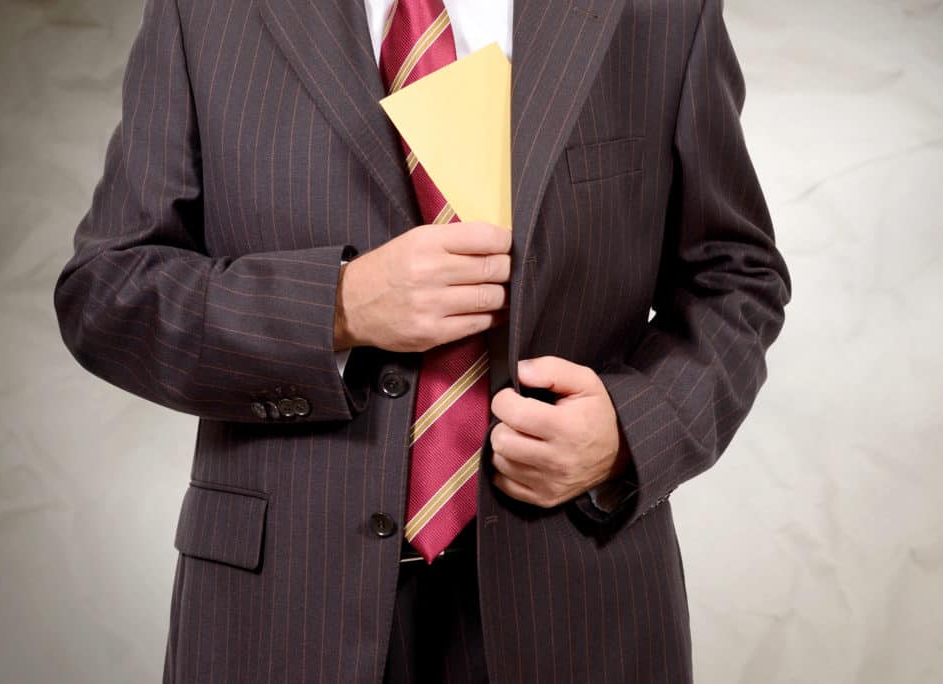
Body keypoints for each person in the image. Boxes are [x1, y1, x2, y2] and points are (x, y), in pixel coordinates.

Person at [53, 0, 791, 681]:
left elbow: (736, 274)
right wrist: (336, 307)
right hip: (280, 611)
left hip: (578, 598)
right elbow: (109, 292)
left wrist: (632, 431)